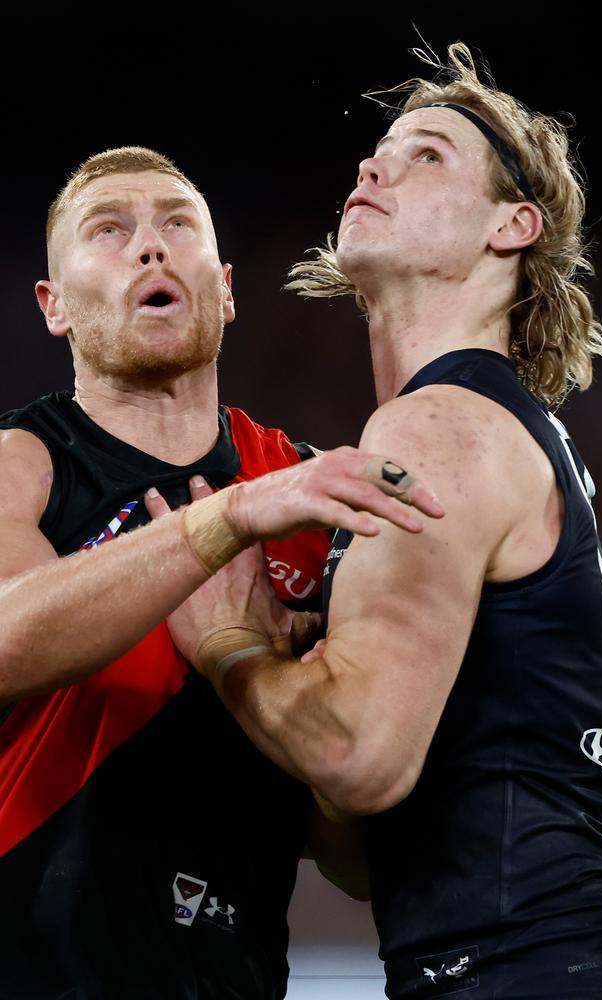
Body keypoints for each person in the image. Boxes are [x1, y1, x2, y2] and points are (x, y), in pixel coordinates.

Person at [154, 44, 602, 998]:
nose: (371, 166)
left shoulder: (439, 424)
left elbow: (357, 755)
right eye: (375, 153)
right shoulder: (497, 427)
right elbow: (370, 852)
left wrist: (226, 645)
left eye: (426, 155)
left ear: (514, 226)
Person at [0, 146, 443, 1000]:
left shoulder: (315, 491)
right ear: (54, 308)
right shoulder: (25, 462)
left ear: (228, 288)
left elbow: (351, 863)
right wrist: (226, 517)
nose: (149, 247)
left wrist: (274, 677)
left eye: (177, 224)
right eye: (109, 230)